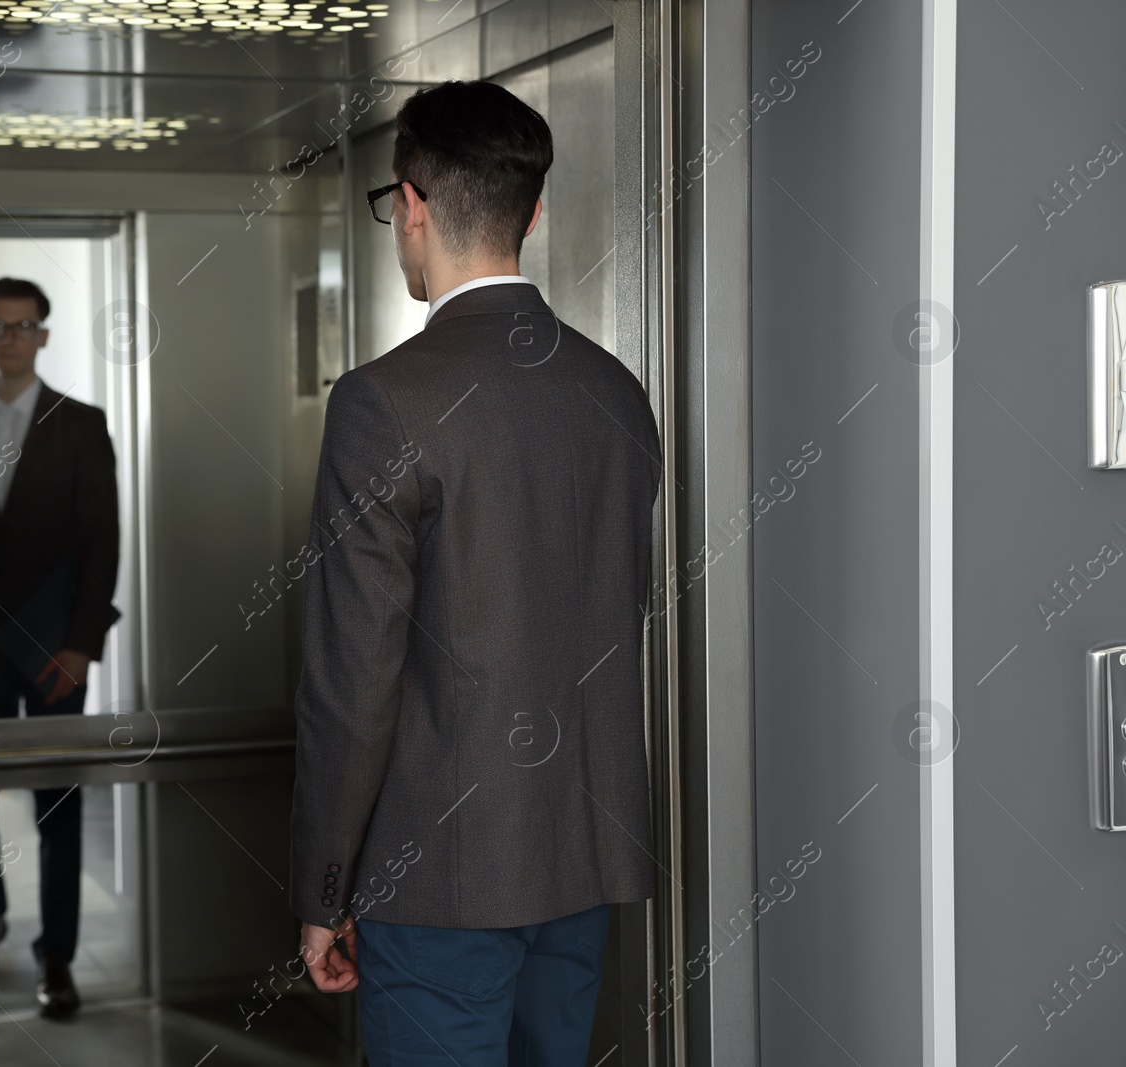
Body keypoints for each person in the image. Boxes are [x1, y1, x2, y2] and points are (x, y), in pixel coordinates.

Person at [288, 80, 662, 1064]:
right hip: (579, 864)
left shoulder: (382, 402)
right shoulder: (615, 392)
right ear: (532, 211)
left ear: (410, 204)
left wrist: (324, 891)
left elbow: (352, 678)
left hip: (439, 878)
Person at [0, 276, 120, 1020]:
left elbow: (103, 546)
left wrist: (80, 645)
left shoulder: (82, 425)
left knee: (58, 805)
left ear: (43, 335)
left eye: (21, 325)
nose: (9, 337)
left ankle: (57, 958)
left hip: (54, 650)